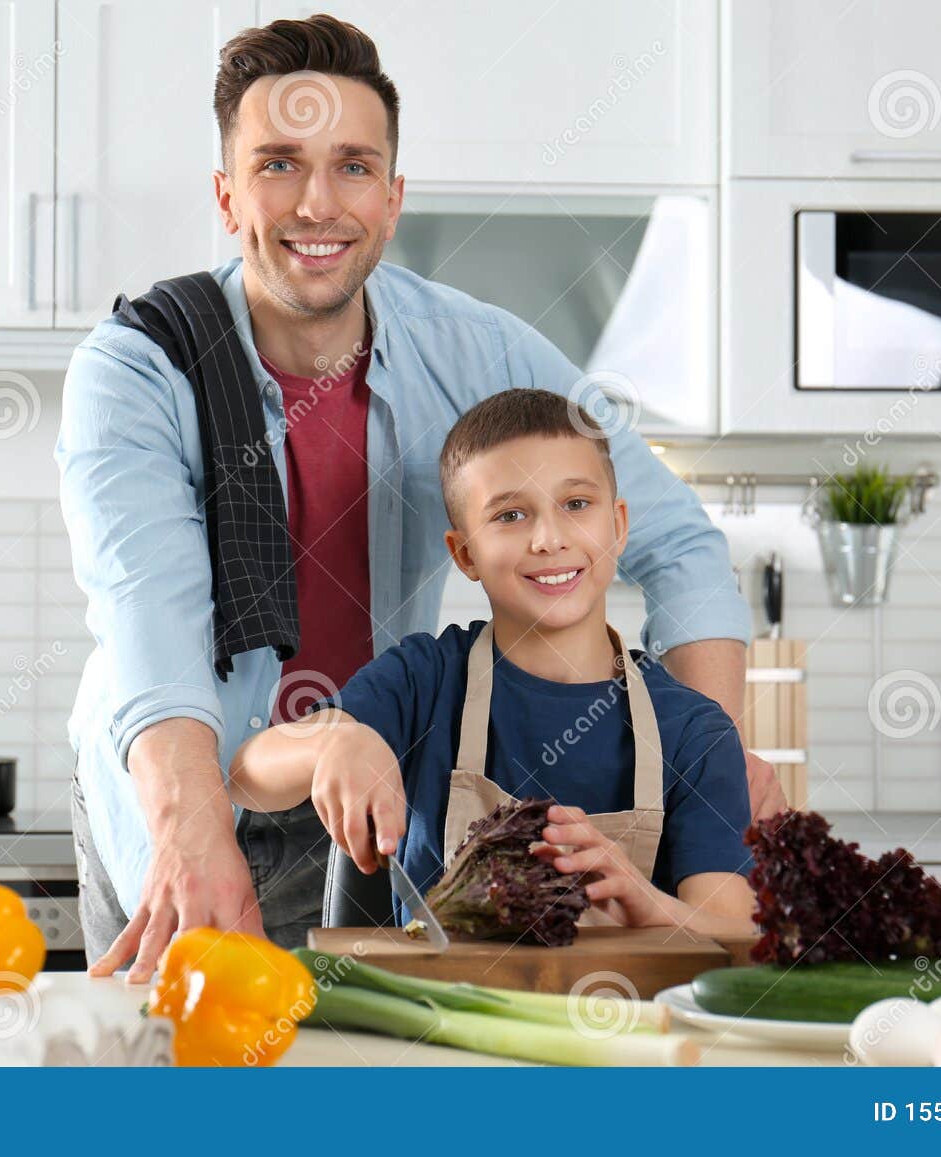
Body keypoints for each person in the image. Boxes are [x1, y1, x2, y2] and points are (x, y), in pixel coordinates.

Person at [57, 13, 780, 981]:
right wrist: (191, 832)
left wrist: (710, 772)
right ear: (227, 197)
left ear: (392, 199)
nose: (318, 202)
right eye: (278, 164)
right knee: (177, 1076)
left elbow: (680, 543)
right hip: (181, 782)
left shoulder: (476, 348)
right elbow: (149, 617)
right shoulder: (139, 369)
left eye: (352, 165)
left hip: (368, 798)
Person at [227, 389, 757, 934]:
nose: (549, 539)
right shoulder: (425, 680)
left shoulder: (695, 731)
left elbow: (733, 932)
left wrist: (648, 904)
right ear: (465, 554)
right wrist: (333, 738)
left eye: (576, 505)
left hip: (630, 1016)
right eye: (510, 515)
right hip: (440, 1015)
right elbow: (249, 774)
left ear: (617, 526)